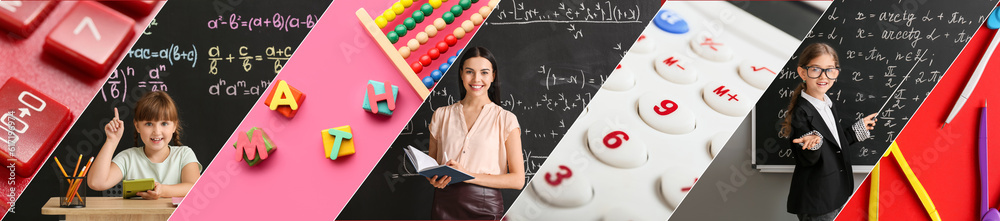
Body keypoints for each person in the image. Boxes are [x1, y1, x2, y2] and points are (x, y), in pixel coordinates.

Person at [780, 42, 878, 221]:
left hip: (836, 192)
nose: (823, 76)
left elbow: (835, 145)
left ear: (836, 73)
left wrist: (857, 130)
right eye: (816, 69)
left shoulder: (827, 103)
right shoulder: (801, 113)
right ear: (803, 73)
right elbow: (808, 159)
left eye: (830, 70)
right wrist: (813, 144)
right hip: (818, 200)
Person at [426, 47, 524, 220]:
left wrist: (467, 176)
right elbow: (432, 164)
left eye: (484, 72)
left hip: (485, 204)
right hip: (444, 200)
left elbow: (517, 180)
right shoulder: (441, 114)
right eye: (469, 72)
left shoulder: (506, 119)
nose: (476, 79)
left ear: (493, 76)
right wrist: (432, 178)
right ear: (461, 74)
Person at [87, 91, 202, 200]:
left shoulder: (184, 154)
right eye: (148, 124)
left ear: (174, 126)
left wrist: (162, 191)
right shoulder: (128, 158)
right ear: (137, 126)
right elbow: (96, 183)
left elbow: (195, 187)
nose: (156, 131)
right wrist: (112, 140)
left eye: (164, 123)